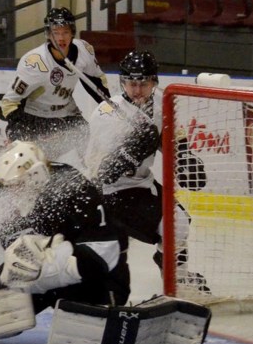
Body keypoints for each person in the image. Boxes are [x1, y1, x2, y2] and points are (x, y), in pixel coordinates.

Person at [0, 140, 209, 344]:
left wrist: (48, 266)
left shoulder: (73, 190)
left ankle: (106, 308)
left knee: (62, 317)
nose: (10, 192)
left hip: (94, 280)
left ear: (38, 176)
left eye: (17, 185)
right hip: (30, 273)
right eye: (8, 185)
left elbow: (104, 254)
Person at [82, 50, 209, 291]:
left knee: (181, 220)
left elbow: (174, 144)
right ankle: (176, 279)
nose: (138, 90)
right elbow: (102, 172)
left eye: (144, 83)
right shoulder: (106, 115)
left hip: (143, 184)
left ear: (154, 82)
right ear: (123, 83)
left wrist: (185, 159)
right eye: (132, 84)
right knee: (176, 225)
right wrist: (132, 149)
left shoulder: (163, 105)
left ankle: (172, 270)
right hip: (113, 192)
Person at [0, 7, 110, 160]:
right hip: (35, 117)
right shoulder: (35, 63)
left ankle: (91, 178)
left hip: (67, 112)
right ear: (48, 35)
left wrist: (109, 108)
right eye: (55, 33)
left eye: (65, 32)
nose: (61, 38)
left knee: (89, 145)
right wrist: (22, 132)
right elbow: (9, 103)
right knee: (34, 161)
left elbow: (96, 82)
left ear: (72, 32)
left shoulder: (84, 50)